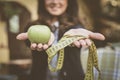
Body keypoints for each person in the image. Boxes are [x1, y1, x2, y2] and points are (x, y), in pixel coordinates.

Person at [16, 0, 105, 80]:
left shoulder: (76, 27)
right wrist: (32, 38)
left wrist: (77, 37)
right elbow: (28, 41)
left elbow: (81, 37)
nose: (55, 1)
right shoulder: (33, 26)